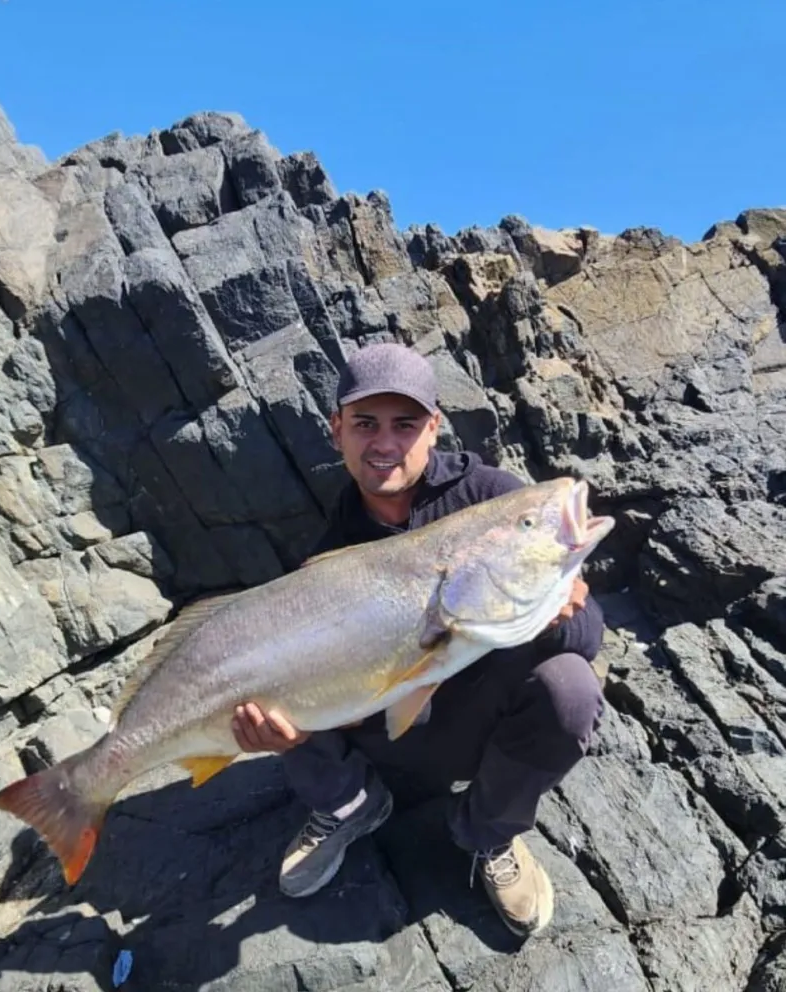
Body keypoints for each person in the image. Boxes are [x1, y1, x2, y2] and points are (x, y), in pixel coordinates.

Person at [231, 342, 605, 937]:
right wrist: (293, 732)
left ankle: (487, 832)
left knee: (572, 690)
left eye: (405, 425)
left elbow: (587, 639)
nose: (384, 444)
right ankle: (348, 806)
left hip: (474, 724)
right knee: (278, 689)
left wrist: (565, 609)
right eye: (365, 425)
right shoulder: (334, 548)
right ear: (336, 431)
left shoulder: (489, 498)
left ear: (435, 428)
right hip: (386, 733)